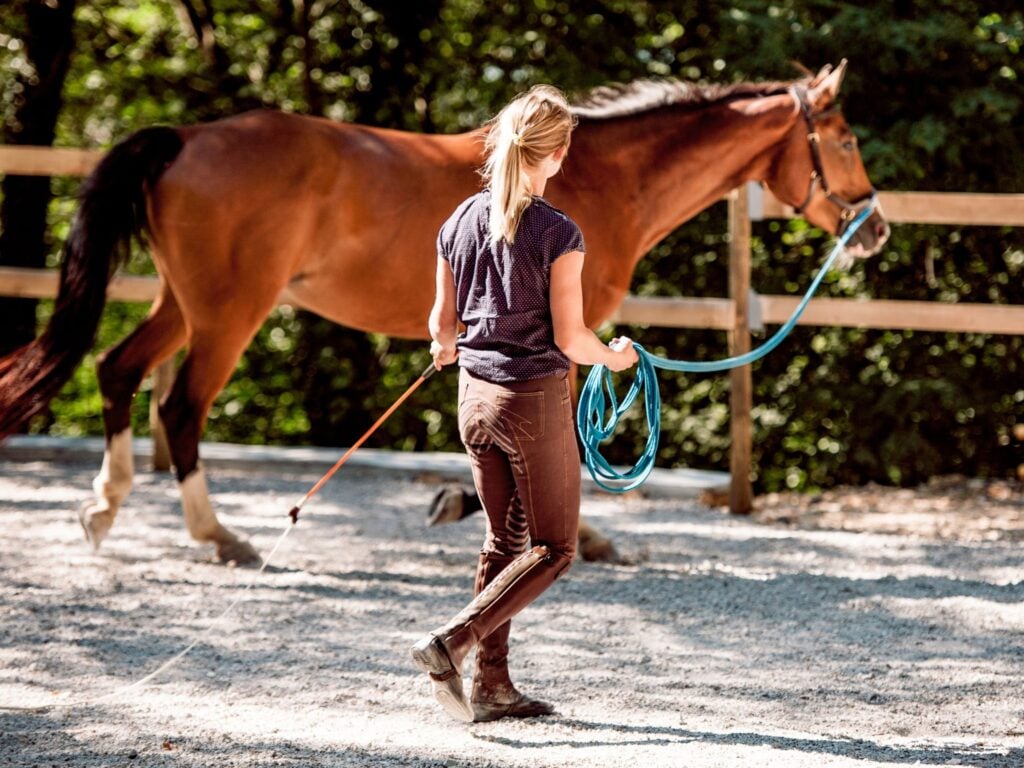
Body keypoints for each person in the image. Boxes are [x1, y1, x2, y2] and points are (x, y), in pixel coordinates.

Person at [410, 84, 638, 723]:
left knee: (503, 540)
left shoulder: (457, 220)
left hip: (473, 403)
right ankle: (452, 642)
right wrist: (616, 357)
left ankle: (493, 687)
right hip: (530, 401)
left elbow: (440, 326)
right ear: (558, 154)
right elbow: (571, 338)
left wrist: (447, 345)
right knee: (556, 548)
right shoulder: (558, 232)